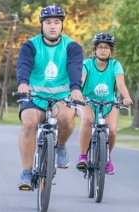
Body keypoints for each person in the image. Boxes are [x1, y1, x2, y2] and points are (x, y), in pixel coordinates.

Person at [16, 5, 85, 190]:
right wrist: (23, 83)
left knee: (66, 119)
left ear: (62, 25)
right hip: (34, 95)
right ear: (41, 25)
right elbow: (24, 65)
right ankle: (26, 172)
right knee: (29, 123)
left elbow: (74, 68)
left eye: (56, 22)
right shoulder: (30, 45)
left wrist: (76, 89)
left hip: (60, 97)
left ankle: (60, 145)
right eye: (48, 22)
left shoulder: (72, 46)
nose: (52, 26)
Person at [75, 32, 132, 175]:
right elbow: (81, 80)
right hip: (87, 101)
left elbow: (120, 82)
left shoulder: (115, 65)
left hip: (108, 103)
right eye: (100, 47)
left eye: (107, 47)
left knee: (111, 130)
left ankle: (106, 157)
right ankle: (83, 156)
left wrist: (127, 97)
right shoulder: (86, 64)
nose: (103, 50)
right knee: (87, 119)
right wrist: (77, 94)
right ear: (94, 49)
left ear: (111, 50)